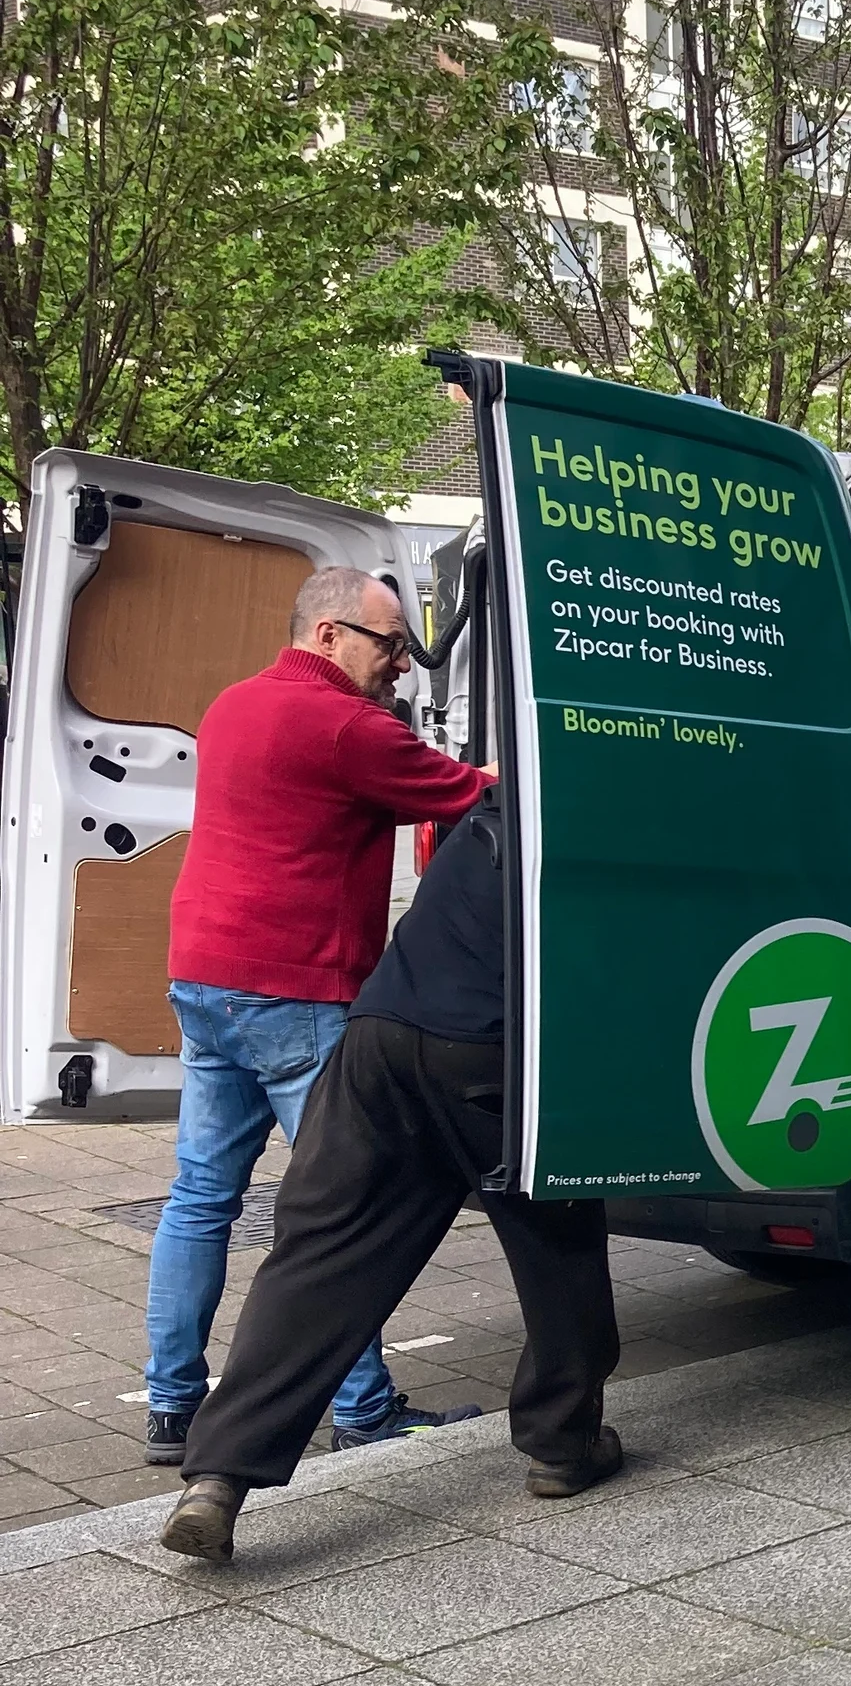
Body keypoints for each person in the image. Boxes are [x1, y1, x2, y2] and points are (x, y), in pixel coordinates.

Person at [161, 790, 621, 1561]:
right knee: (557, 1240)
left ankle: (216, 1478)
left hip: (378, 1040)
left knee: (320, 1260)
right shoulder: (604, 823)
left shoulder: (492, 816)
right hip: (488, 1055)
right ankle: (563, 1442)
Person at [145, 563, 495, 1466]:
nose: (404, 668)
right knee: (343, 1206)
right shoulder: (346, 725)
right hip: (295, 989)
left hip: (202, 974)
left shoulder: (231, 705)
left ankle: (171, 1401)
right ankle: (364, 1407)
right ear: (330, 634)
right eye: (391, 646)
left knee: (198, 1198)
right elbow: (478, 792)